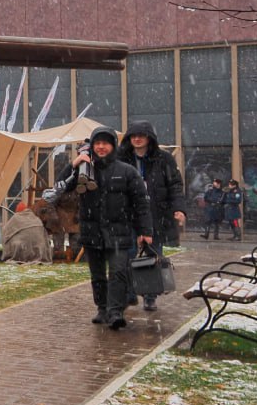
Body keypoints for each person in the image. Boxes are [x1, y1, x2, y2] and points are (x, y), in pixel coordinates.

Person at [60, 128, 153, 330]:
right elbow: (60, 188)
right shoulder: (84, 170)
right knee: (98, 275)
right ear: (92, 146)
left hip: (119, 232)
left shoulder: (127, 171)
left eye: (106, 143)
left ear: (113, 146)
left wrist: (146, 231)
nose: (101, 147)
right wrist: (72, 166)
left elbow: (141, 203)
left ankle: (115, 311)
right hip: (92, 232)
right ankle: (102, 308)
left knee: (119, 272)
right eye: (97, 143)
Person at [115, 121, 186, 310]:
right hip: (128, 214)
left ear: (149, 138)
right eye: (133, 136)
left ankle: (150, 294)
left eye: (142, 135)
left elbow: (175, 186)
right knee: (128, 254)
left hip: (156, 214)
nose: (137, 139)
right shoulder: (121, 158)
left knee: (153, 254)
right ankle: (129, 293)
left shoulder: (164, 159)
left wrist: (178, 209)